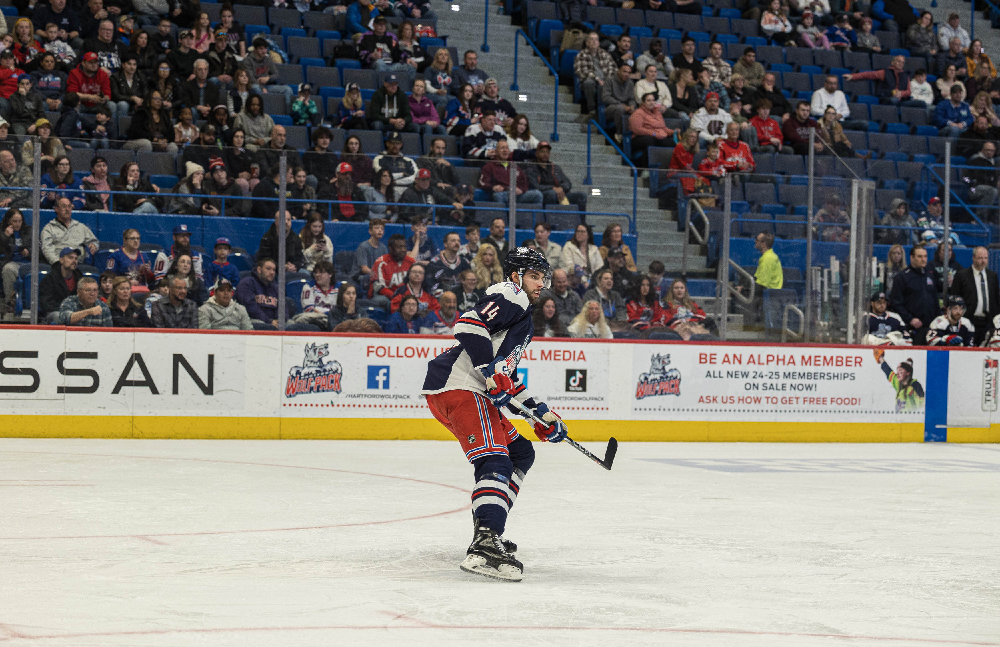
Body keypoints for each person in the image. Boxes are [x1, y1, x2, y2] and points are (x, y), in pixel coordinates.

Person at [421, 247, 563, 581]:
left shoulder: (522, 315)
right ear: (516, 276)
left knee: (520, 453)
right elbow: (468, 324)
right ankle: (485, 539)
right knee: (496, 460)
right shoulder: (511, 294)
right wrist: (488, 371)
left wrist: (541, 416)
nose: (540, 283)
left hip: (466, 388)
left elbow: (506, 377)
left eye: (543, 277)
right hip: (460, 386)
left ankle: (490, 526)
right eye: (533, 275)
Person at [888, 245, 939, 345]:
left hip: (930, 326)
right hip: (911, 327)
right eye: (919, 256)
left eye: (925, 256)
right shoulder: (902, 277)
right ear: (912, 258)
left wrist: (937, 318)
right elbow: (895, 303)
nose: (923, 259)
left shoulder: (930, 274)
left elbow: (934, 299)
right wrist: (910, 319)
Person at [951, 246, 1000, 345]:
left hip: (988, 322)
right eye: (980, 258)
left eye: (985, 258)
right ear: (973, 258)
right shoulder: (962, 275)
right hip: (969, 319)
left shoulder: (992, 276)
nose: (983, 261)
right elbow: (954, 297)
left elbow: (996, 299)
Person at [524, 142, 586, 210]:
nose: (545, 154)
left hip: (559, 194)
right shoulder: (530, 168)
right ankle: (549, 219)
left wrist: (561, 189)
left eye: (547, 152)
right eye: (542, 152)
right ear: (536, 153)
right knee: (551, 193)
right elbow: (535, 186)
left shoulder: (556, 168)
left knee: (581, 196)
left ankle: (581, 220)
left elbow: (568, 183)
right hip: (543, 195)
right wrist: (553, 188)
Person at [235, 257, 288, 330]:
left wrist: (279, 320)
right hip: (253, 319)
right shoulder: (247, 283)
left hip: (273, 321)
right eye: (268, 269)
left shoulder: (276, 287)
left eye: (274, 270)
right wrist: (269, 321)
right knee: (264, 326)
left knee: (291, 325)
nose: (272, 272)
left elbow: (283, 307)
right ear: (259, 270)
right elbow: (250, 308)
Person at [40, 198, 97, 265]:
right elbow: (47, 250)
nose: (67, 209)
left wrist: (94, 245)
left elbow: (94, 241)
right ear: (56, 209)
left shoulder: (80, 227)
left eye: (69, 206)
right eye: (64, 206)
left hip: (79, 265)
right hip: (59, 265)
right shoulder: (48, 229)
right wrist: (57, 264)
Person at [573, 32, 617, 118]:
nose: (594, 41)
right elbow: (581, 71)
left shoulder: (605, 54)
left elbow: (613, 68)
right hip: (592, 79)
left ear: (599, 43)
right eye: (591, 39)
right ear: (587, 43)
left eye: (596, 39)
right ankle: (592, 110)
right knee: (588, 83)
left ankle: (606, 111)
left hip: (605, 80)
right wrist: (597, 79)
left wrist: (607, 79)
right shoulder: (581, 54)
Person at [242, 37, 293, 109]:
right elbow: (251, 79)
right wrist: (262, 88)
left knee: (288, 89)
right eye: (261, 49)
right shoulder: (248, 60)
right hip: (253, 86)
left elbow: (276, 74)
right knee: (256, 88)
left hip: (267, 86)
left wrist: (268, 78)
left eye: (265, 48)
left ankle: (288, 114)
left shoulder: (267, 59)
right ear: (255, 49)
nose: (264, 51)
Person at [629, 92, 676, 168]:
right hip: (639, 138)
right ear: (643, 102)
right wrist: (653, 133)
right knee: (651, 141)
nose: (651, 102)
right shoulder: (638, 114)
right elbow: (637, 129)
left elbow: (663, 127)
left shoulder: (657, 113)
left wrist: (673, 131)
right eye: (648, 100)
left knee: (670, 142)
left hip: (657, 136)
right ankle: (646, 168)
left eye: (653, 100)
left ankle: (665, 168)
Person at [0, 207, 30, 310]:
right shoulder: (1, 231)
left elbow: (38, 248)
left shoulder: (28, 231)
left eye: (20, 221)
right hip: (11, 263)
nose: (18, 224)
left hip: (29, 263)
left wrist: (28, 252)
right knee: (8, 269)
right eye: (14, 221)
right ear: (8, 221)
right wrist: (5, 236)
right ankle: (11, 303)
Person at [370, 233, 415, 299]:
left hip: (407, 297)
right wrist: (396, 297)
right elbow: (378, 287)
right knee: (382, 300)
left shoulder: (411, 262)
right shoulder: (381, 262)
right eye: (399, 247)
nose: (402, 250)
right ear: (390, 249)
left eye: (404, 247)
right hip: (386, 296)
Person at [427, 232, 471, 297]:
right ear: (445, 244)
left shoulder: (465, 263)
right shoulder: (435, 263)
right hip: (440, 299)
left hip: (461, 299)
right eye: (453, 240)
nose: (457, 243)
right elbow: (430, 284)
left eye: (458, 241)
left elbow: (469, 283)